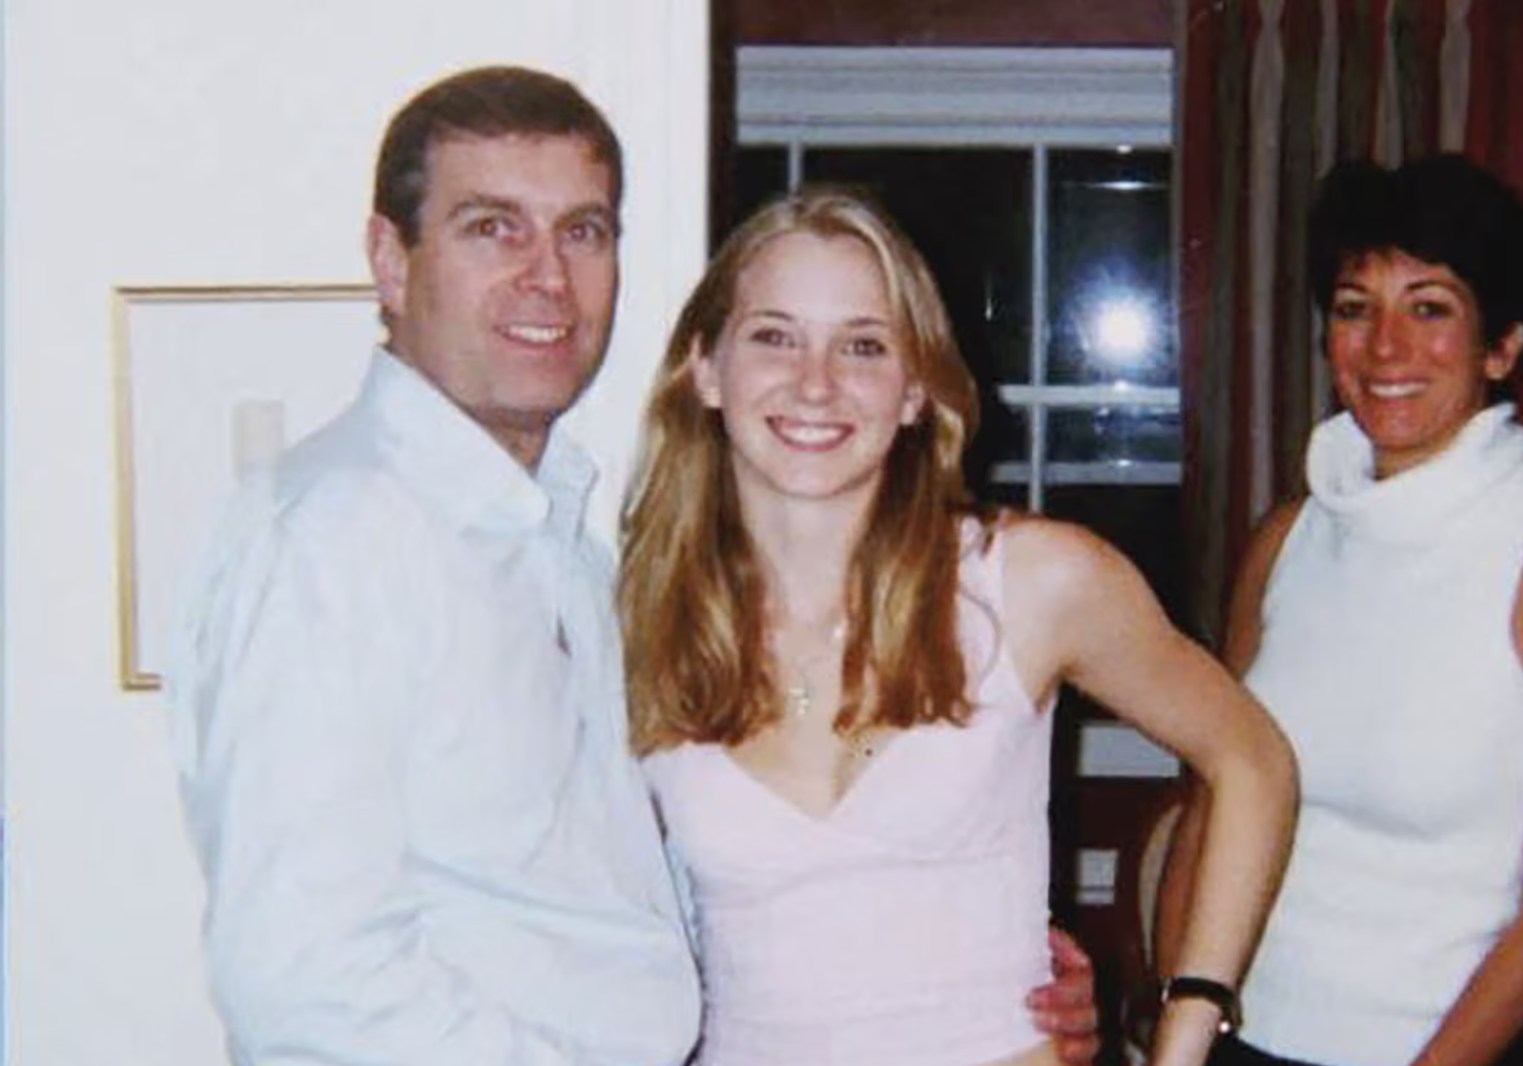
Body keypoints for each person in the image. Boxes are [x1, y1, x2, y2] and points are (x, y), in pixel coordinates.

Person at [168, 66, 1100, 1066]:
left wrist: (960, 974)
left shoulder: (566, 546)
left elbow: (618, 899)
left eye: (583, 231)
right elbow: (306, 984)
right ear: (390, 262)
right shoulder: (333, 539)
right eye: (492, 228)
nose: (546, 277)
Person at [617, 187, 1298, 1066]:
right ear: (706, 369)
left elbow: (1253, 760)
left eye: (863, 345)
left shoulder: (1030, 582)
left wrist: (1188, 1023)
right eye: (774, 336)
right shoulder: (638, 616)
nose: (815, 382)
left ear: (912, 391)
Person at [1156, 155, 1523, 1066]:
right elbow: (1209, 806)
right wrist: (1175, 1027)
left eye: (1429, 308)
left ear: (1502, 347)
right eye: (1355, 308)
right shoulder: (1285, 540)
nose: (1385, 347)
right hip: (1241, 1038)